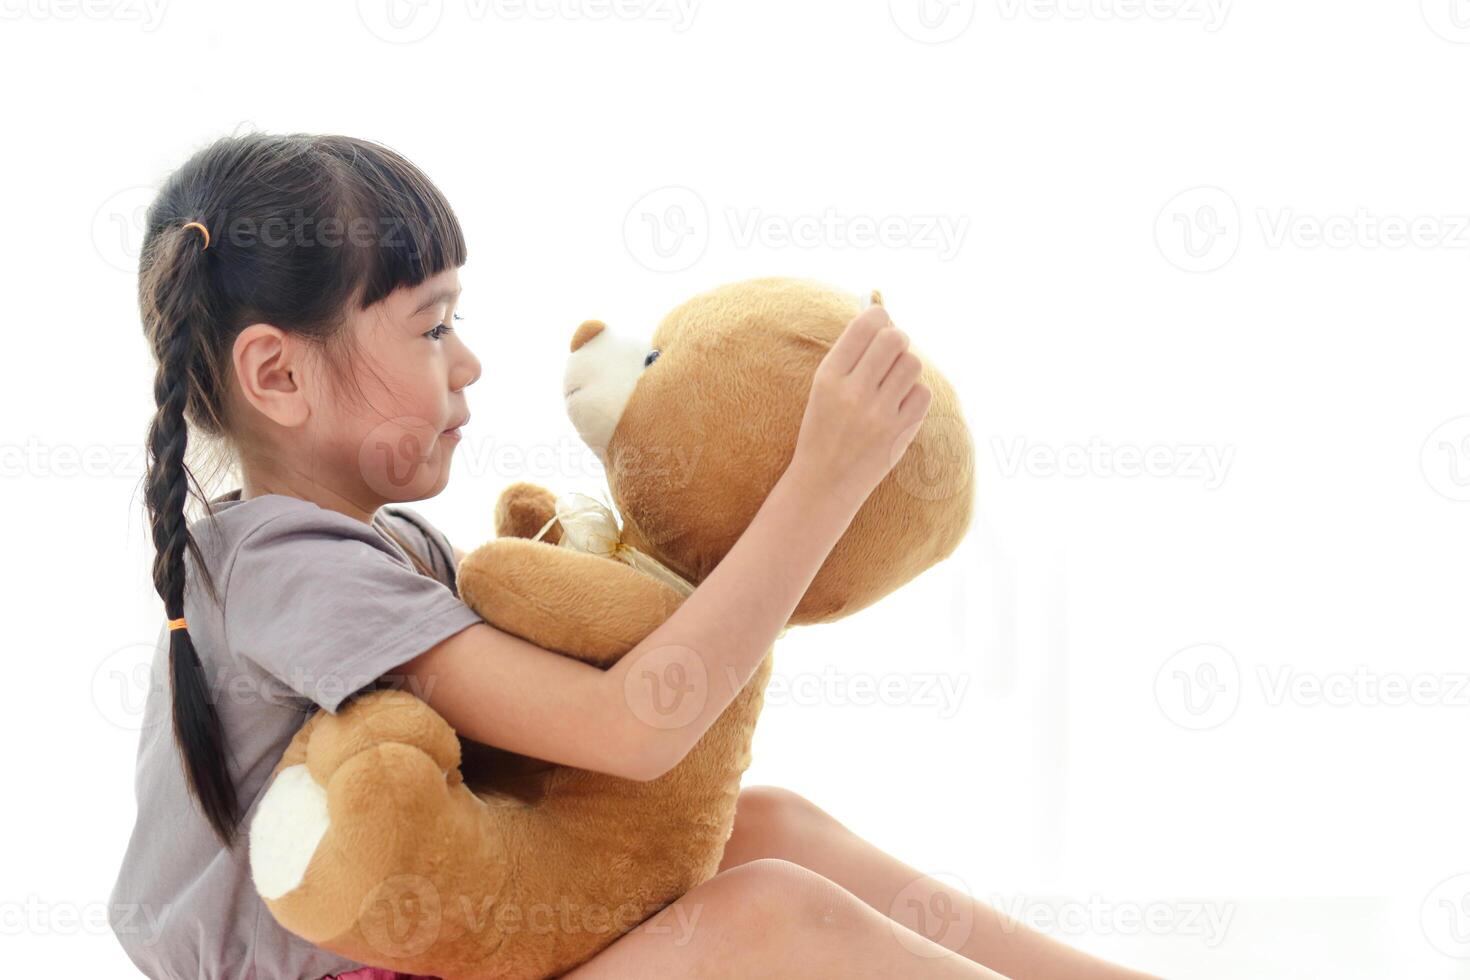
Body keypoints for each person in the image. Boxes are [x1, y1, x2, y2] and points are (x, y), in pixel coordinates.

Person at [107, 131, 1156, 980]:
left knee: (765, 827)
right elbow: (637, 727)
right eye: (431, 328)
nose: (468, 359)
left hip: (432, 948)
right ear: (277, 376)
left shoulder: (377, 546)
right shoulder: (287, 567)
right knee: (765, 911)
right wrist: (821, 483)